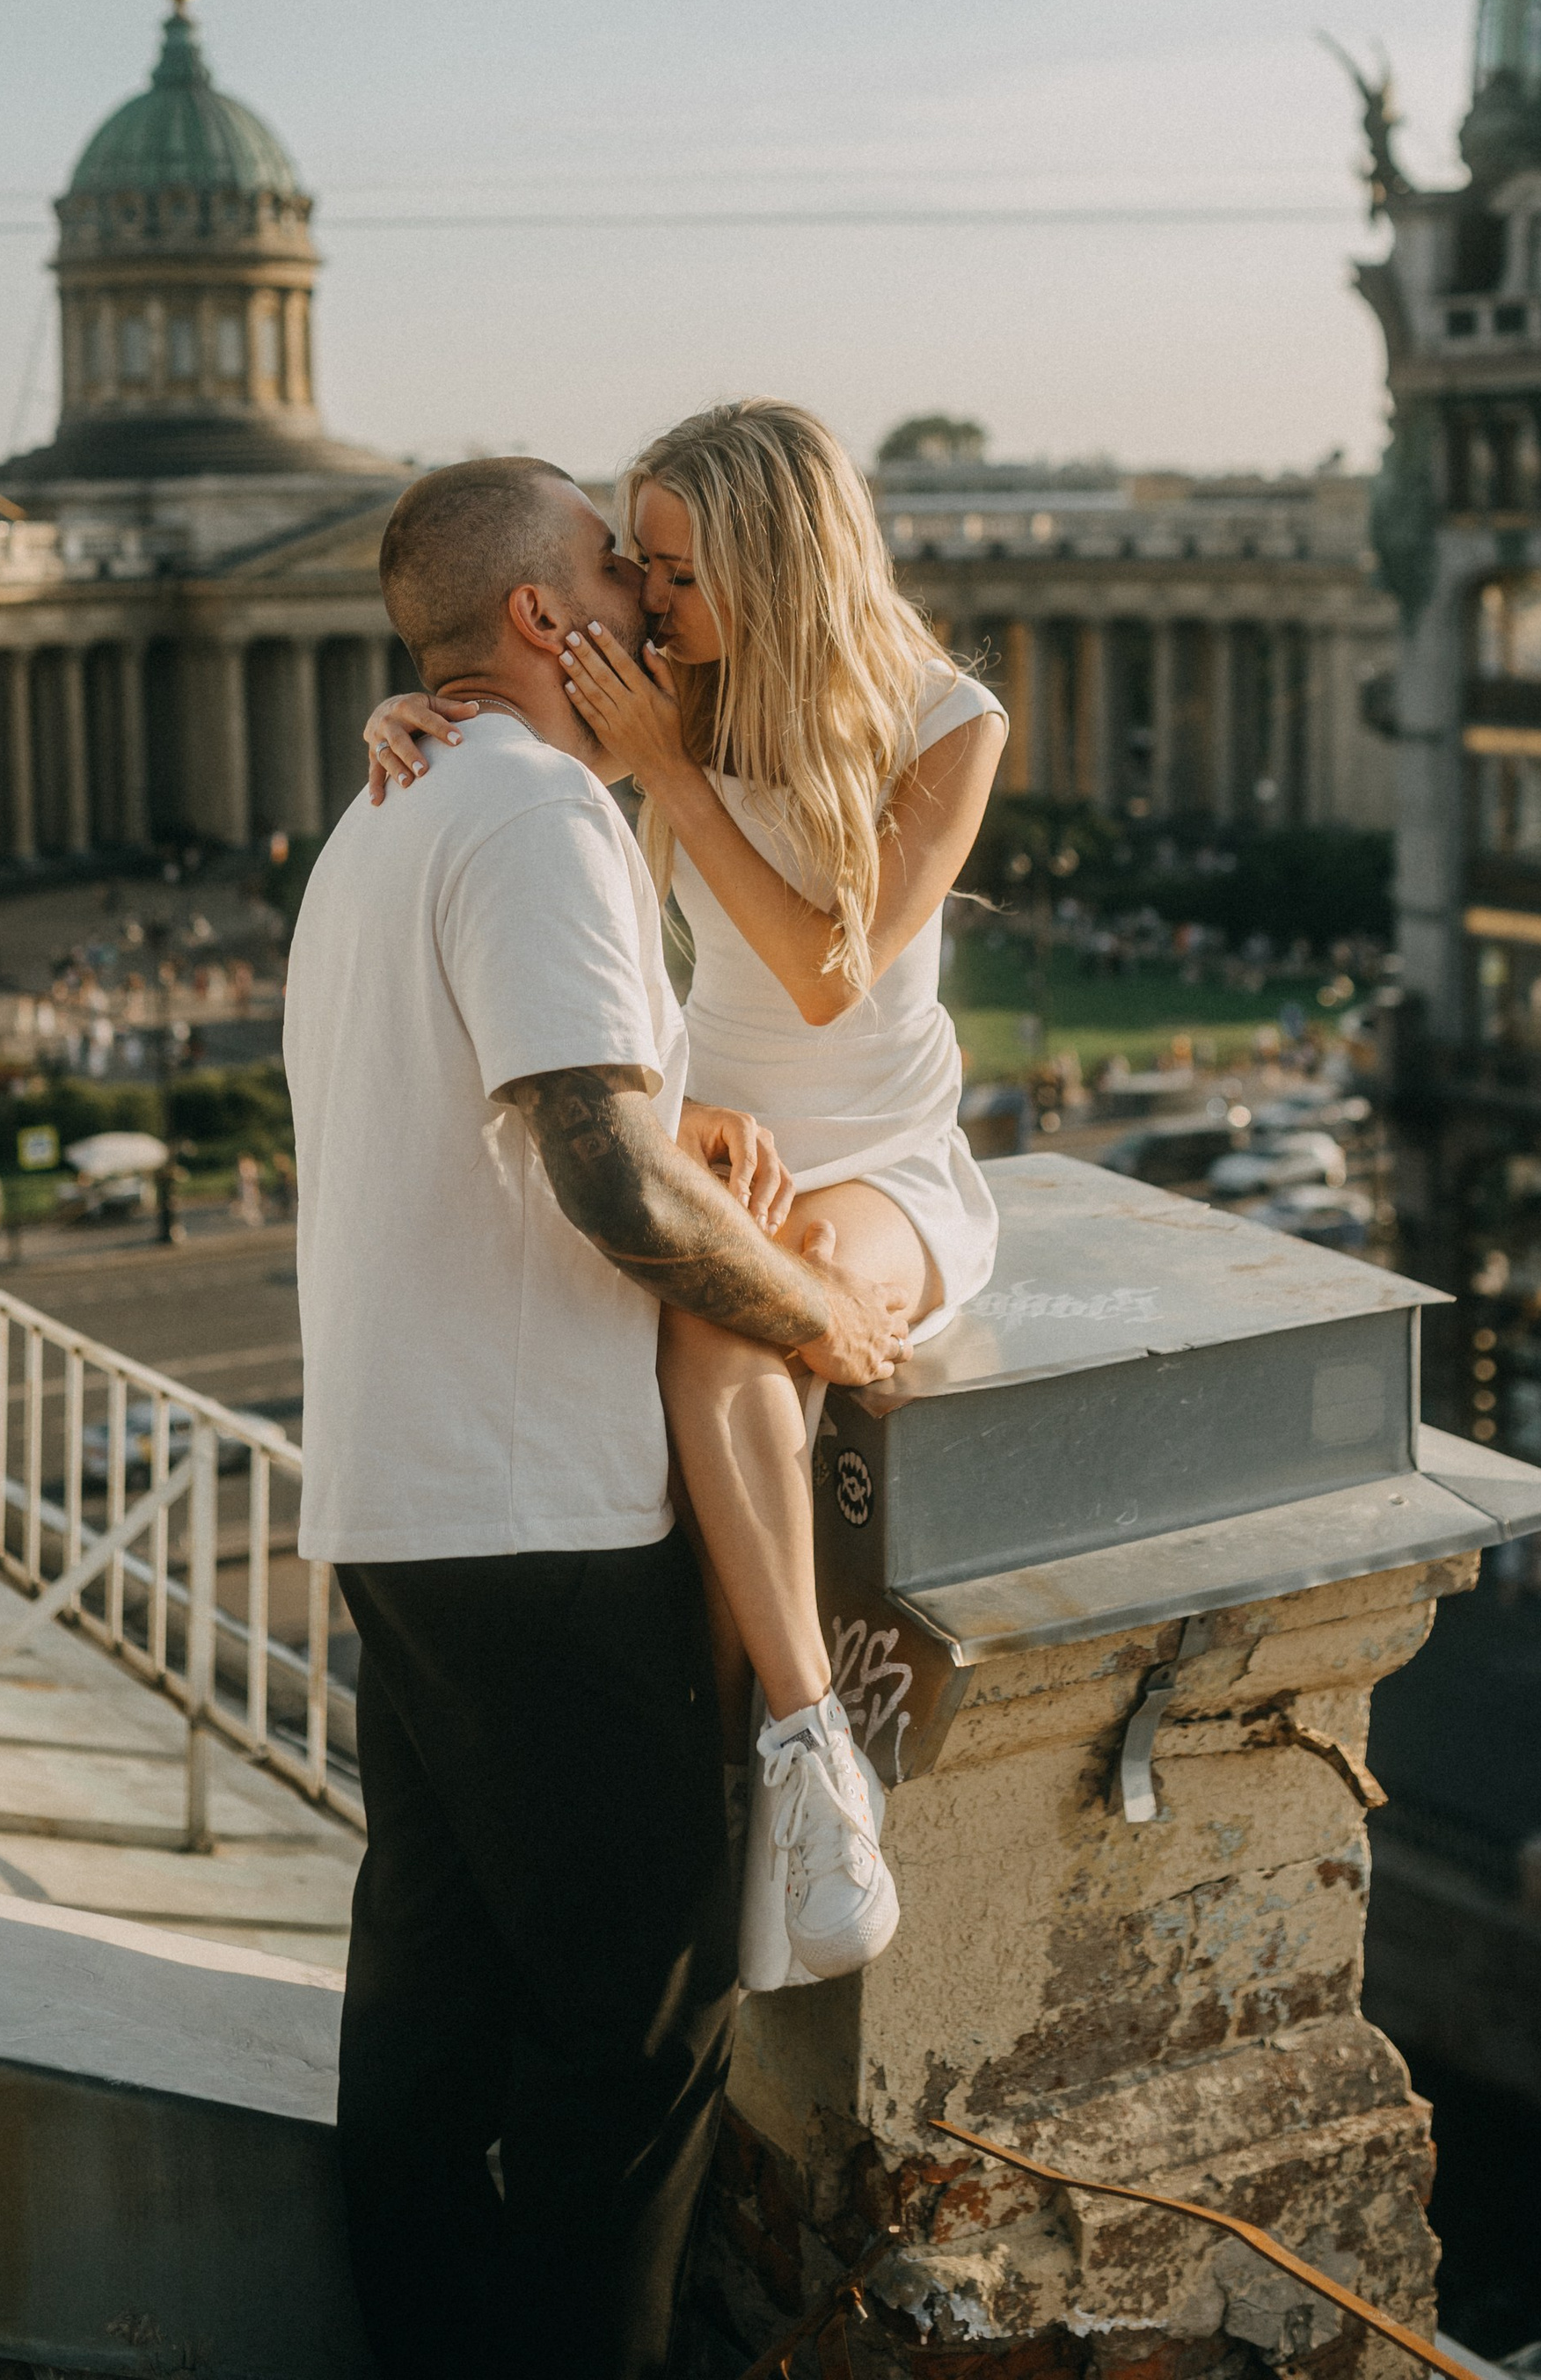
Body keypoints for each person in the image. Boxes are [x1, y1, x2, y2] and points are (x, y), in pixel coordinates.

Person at [287, 456, 913, 2380]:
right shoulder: (538, 816)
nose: (650, 608)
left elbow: (560, 1130)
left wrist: (679, 1125)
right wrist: (823, 1317)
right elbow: (606, 1186)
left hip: (393, 1505)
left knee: (427, 2017)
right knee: (634, 2053)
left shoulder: (377, 818)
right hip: (540, 1522)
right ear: (545, 622)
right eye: (611, 578)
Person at [364, 398, 1007, 1989]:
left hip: (883, 1163)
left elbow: (822, 972)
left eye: (671, 570)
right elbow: (538, 798)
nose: (646, 604)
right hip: (720, 1145)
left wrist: (671, 767)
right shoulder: (679, 694)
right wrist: (412, 720)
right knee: (686, 1389)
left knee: (724, 1342)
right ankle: (729, 1797)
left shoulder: (946, 719)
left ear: (778, 565)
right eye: (637, 568)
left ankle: (806, 1760)